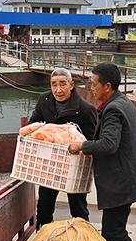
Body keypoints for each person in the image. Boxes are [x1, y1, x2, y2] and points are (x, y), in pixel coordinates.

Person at [68, 62, 136, 241]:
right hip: (130, 177)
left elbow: (109, 144)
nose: (91, 88)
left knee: (114, 232)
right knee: (112, 231)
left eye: (94, 84)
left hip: (122, 182)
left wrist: (82, 146)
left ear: (107, 86)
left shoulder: (114, 109)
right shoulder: (122, 101)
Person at [28, 68, 98, 229]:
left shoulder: (86, 110)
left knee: (78, 207)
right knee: (44, 204)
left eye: (62, 84)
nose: (58, 90)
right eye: (54, 85)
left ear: (71, 85)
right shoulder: (44, 100)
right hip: (50, 164)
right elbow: (33, 125)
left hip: (74, 167)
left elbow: (92, 140)